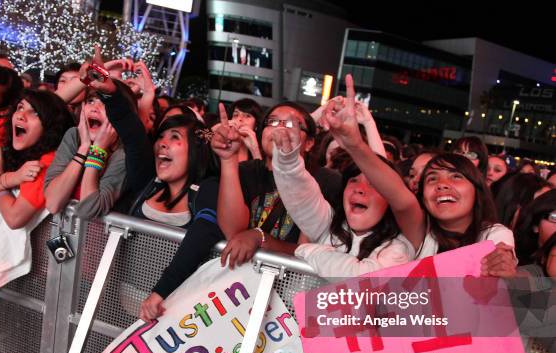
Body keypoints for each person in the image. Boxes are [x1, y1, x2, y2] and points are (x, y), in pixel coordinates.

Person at [321, 74, 516, 277]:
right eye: (432, 179)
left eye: (456, 177)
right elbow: (396, 193)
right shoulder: (421, 233)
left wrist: (504, 267)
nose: (442, 184)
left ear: (477, 188)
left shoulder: (494, 234)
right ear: (421, 195)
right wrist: (355, 145)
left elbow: (502, 263)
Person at [86, 64, 222, 322]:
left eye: (174, 138)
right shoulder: (148, 182)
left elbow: (202, 234)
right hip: (121, 306)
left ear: (195, 149)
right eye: (161, 137)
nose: (162, 143)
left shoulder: (207, 189)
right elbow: (133, 133)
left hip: (172, 316)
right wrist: (111, 93)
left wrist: (161, 291)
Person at [211, 101, 341, 268]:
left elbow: (313, 252)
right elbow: (232, 233)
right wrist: (228, 159)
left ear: (309, 143)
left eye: (291, 124)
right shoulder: (245, 172)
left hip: (287, 286)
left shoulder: (327, 181)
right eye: (272, 122)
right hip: (238, 279)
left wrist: (261, 238)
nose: (279, 129)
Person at [271, 128, 412, 276]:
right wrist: (288, 161)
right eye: (354, 180)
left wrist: (301, 250)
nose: (360, 189)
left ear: (390, 199)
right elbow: (301, 195)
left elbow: (360, 277)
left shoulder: (399, 249)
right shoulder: (327, 224)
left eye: (373, 184)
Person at [0, 89, 73, 228]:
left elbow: (14, 218)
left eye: (34, 112)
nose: (21, 115)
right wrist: (12, 178)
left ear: (50, 125)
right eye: (20, 107)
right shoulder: (2, 146)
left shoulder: (48, 161)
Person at [44, 82, 134, 220]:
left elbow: (88, 210)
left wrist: (98, 150)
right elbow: (53, 203)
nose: (94, 108)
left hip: (97, 238)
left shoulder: (122, 154)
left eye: (104, 103)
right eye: (90, 101)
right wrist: (84, 148)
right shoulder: (74, 136)